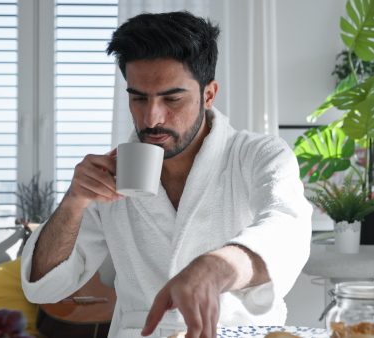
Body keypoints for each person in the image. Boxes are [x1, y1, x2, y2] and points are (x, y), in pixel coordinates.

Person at [21, 11, 312, 338]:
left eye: (171, 98)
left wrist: (215, 268)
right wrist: (73, 203)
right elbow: (44, 287)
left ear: (208, 94)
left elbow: (287, 228)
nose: (152, 117)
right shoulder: (113, 173)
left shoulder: (258, 155)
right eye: (138, 98)